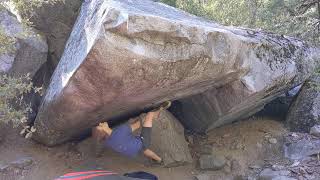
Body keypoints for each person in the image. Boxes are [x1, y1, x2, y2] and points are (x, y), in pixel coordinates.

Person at [92, 101, 171, 164]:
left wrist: (98, 154)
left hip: (133, 152)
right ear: (103, 131)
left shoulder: (107, 141)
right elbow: (138, 125)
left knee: (144, 150)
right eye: (100, 126)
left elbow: (101, 141)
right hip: (142, 142)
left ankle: (159, 160)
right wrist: (142, 118)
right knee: (149, 115)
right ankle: (159, 110)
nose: (100, 123)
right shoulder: (120, 131)